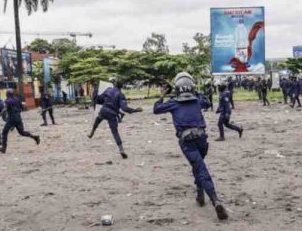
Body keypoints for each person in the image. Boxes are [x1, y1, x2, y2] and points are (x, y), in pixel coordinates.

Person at [153, 72, 228, 220]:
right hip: (202, 140)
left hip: (187, 141)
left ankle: (215, 200)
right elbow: (207, 102)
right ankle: (200, 193)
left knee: (200, 169)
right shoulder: (197, 101)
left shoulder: (174, 102)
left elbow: (156, 109)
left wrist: (162, 94)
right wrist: (198, 91)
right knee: (199, 166)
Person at [87, 80, 142, 159]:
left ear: (115, 85)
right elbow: (125, 108)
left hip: (104, 110)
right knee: (115, 132)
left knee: (98, 119)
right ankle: (121, 149)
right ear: (121, 87)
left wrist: (97, 95)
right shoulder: (121, 95)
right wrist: (135, 110)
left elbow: (99, 99)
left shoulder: (108, 90)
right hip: (112, 114)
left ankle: (92, 131)